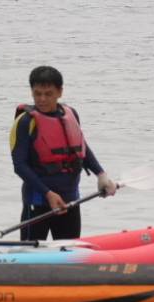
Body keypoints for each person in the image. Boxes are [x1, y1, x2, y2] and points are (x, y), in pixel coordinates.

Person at [9, 66, 116, 241]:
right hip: (38, 202)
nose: (42, 99)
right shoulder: (25, 122)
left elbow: (81, 148)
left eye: (48, 94)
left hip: (70, 201)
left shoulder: (71, 114)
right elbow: (19, 166)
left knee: (69, 254)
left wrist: (101, 174)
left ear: (60, 92)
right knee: (31, 258)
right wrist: (48, 194)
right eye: (37, 94)